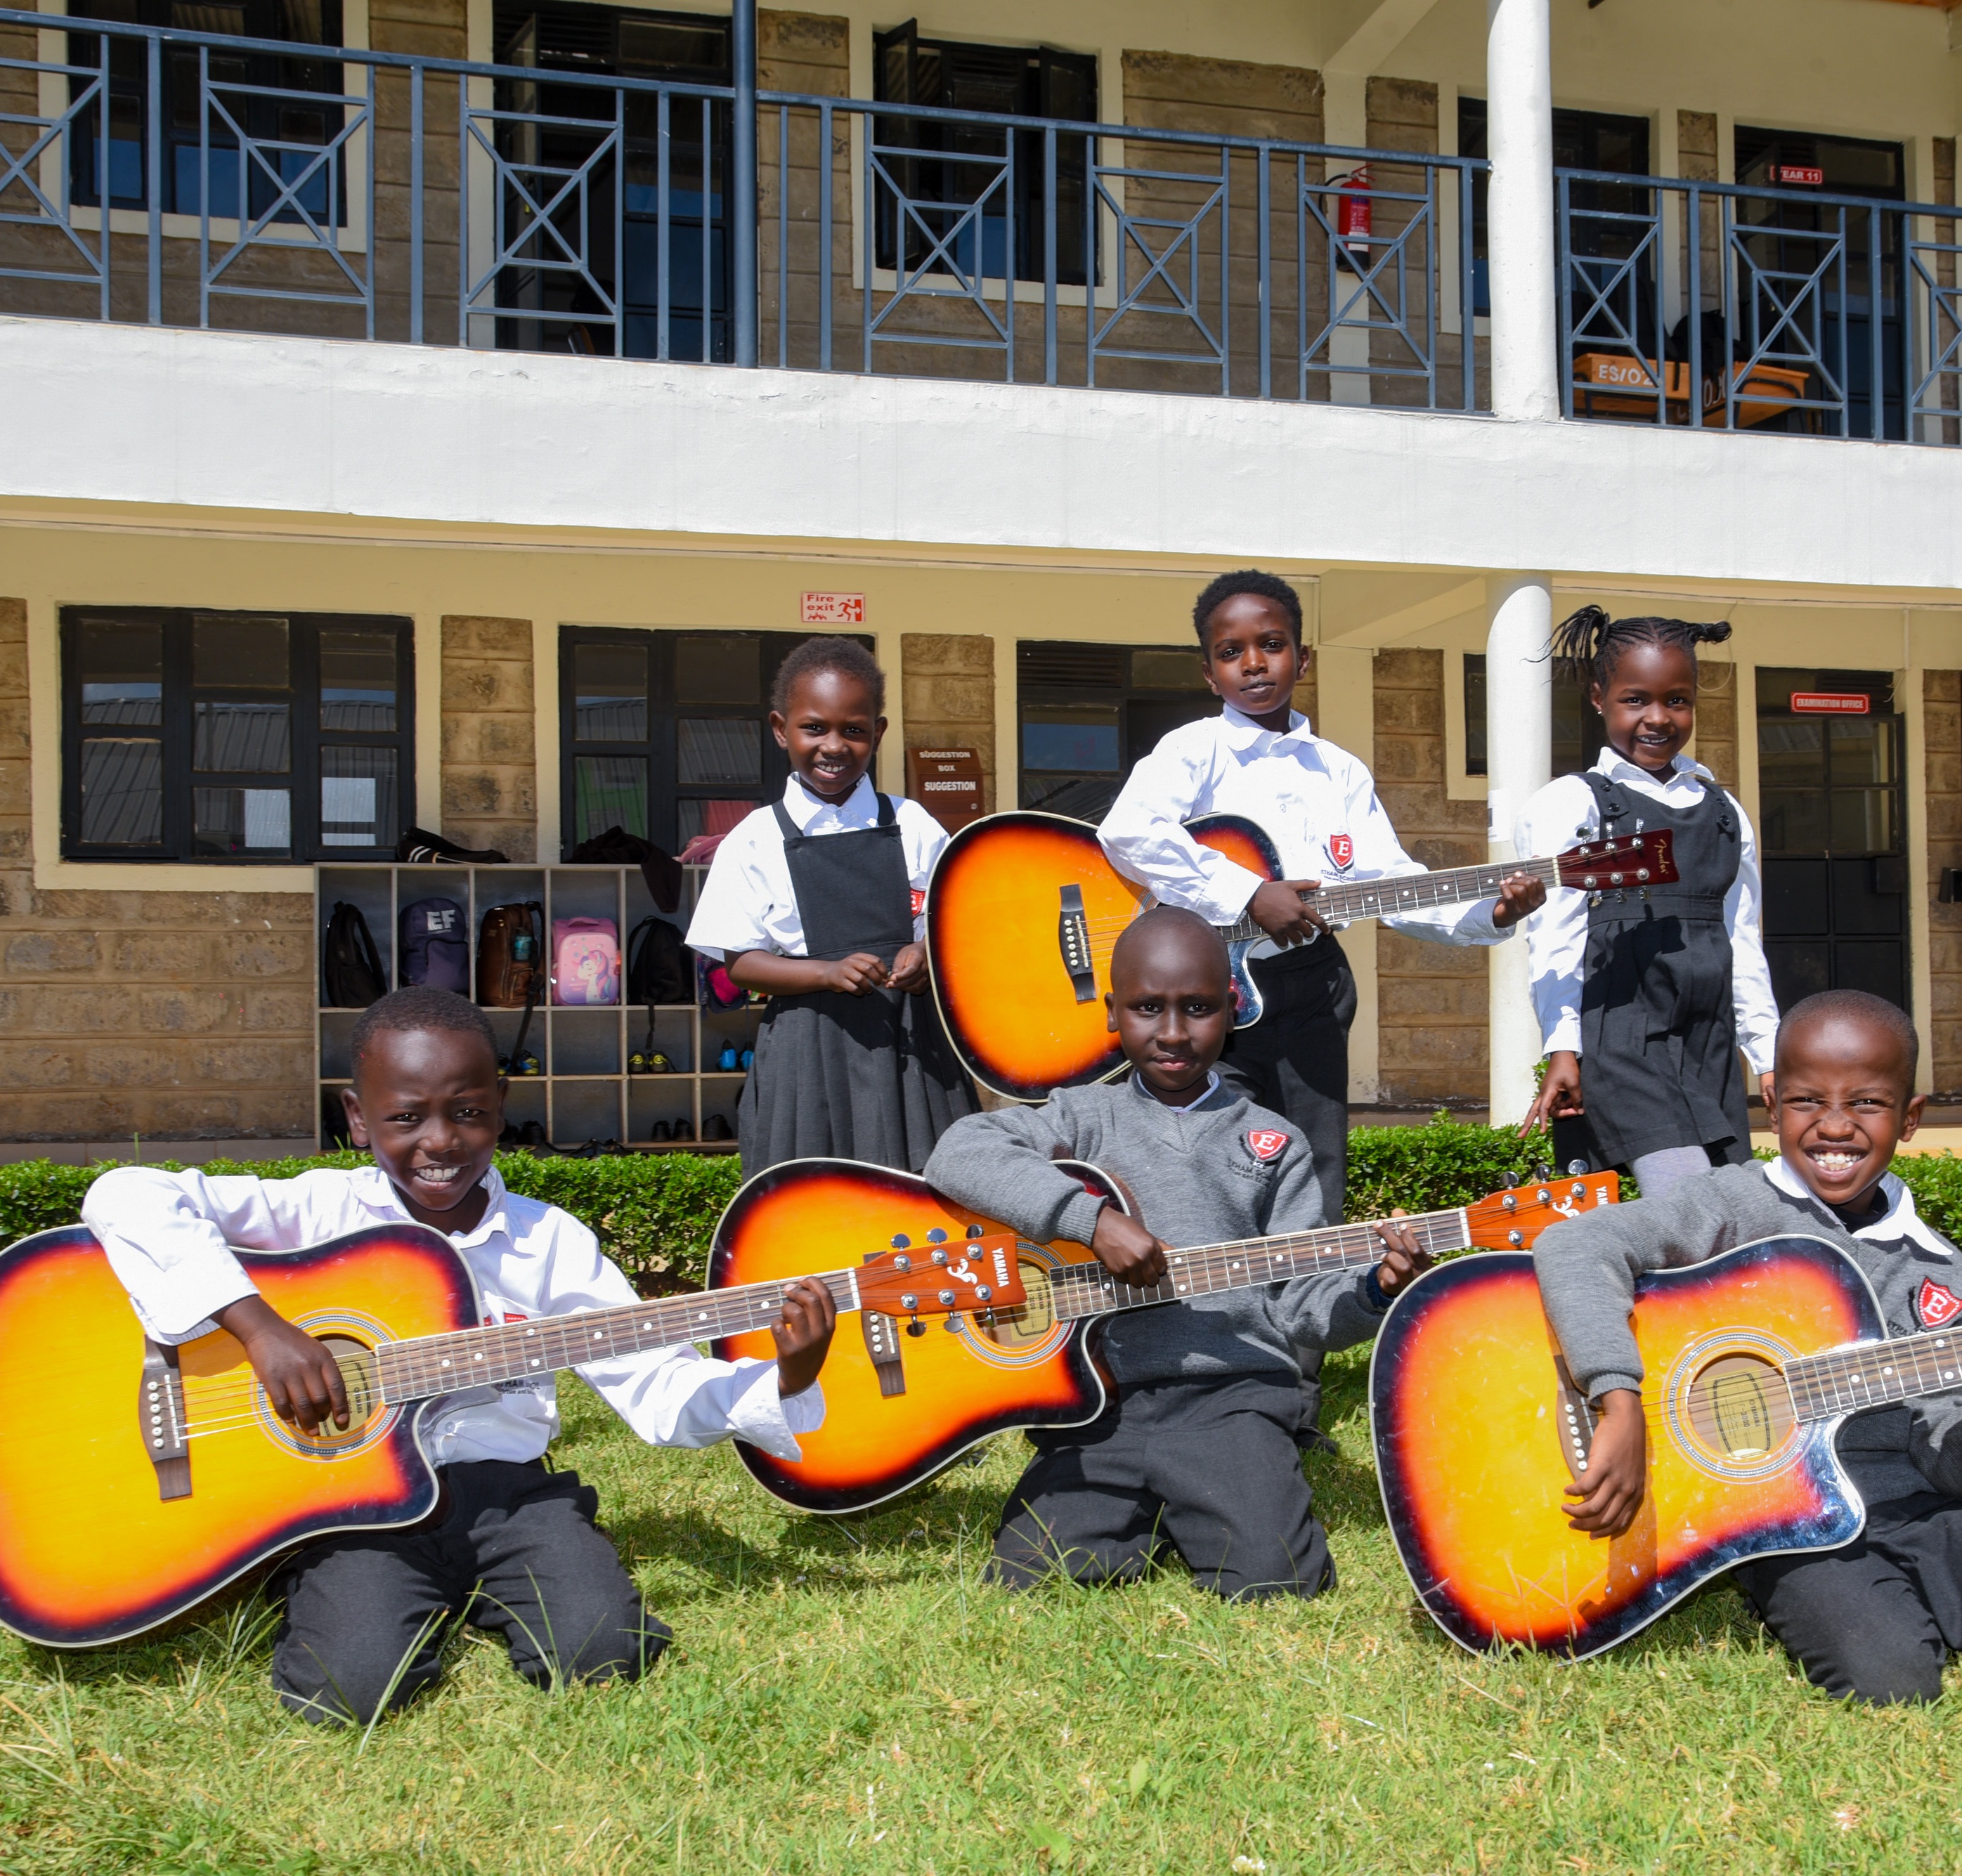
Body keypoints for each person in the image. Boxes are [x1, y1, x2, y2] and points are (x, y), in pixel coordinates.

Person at [81, 986, 839, 1725]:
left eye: (468, 1113)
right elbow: (127, 1194)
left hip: (506, 1497)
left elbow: (657, 1388)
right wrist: (259, 1329)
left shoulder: (549, 1242)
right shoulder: (318, 1209)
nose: (440, 1141)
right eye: (405, 1117)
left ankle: (471, 1588)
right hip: (356, 1508)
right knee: (347, 1694)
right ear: (355, 1116)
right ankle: (320, 1576)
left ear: (500, 1106)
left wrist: (788, 1373)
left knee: (606, 1652)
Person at [1535, 989, 1962, 1709]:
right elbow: (1578, 1243)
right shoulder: (1736, 1204)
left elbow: (1952, 1465)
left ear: (1911, 1118)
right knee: (1889, 1681)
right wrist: (1617, 1398)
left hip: (1921, 1503)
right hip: (1784, 1520)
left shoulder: (1940, 1280)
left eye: (1866, 1104)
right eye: (1807, 1102)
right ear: (1773, 1108)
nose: (1834, 1127)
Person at [923, 905, 1432, 1601]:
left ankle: (1199, 1502)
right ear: (1111, 1013)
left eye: (1195, 1009)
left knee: (1277, 1577)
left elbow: (1305, 1313)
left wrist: (1374, 1289)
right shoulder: (1080, 1116)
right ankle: (1159, 1508)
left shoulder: (1274, 1142)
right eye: (1146, 1008)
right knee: (1029, 1578)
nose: (1171, 1032)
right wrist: (1090, 1221)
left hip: (1231, 1403)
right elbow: (959, 1152)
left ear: (1232, 1008)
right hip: (1099, 1409)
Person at [1099, 569, 1545, 1223]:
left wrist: (1490, 913)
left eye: (1272, 645)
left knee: (1312, 1160)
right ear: (1208, 672)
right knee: (1209, 1155)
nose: (1253, 664)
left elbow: (1386, 882)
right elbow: (1129, 833)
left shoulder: (1338, 771)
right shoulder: (1194, 750)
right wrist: (1249, 893)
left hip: (1312, 991)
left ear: (1303, 658)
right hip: (1206, 1001)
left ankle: (1309, 1304)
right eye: (1231, 652)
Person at [687, 636, 977, 1175]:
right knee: (813, 1206)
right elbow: (741, 963)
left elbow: (958, 923)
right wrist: (825, 972)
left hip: (913, 1052)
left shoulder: (911, 824)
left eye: (855, 730)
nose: (834, 746)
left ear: (879, 733)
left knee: (933, 1199)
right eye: (814, 728)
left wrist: (926, 952)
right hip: (807, 1057)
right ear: (781, 729)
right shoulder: (754, 839)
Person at [1517, 607, 1779, 1194]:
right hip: (1623, 1041)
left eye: (1677, 700)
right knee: (1686, 1200)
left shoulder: (1725, 813)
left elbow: (1742, 938)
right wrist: (1562, 1048)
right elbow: (1555, 937)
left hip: (1707, 1043)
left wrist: (1767, 1053)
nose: (1657, 719)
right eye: (1635, 700)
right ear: (1598, 698)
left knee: (1733, 1208)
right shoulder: (1572, 804)